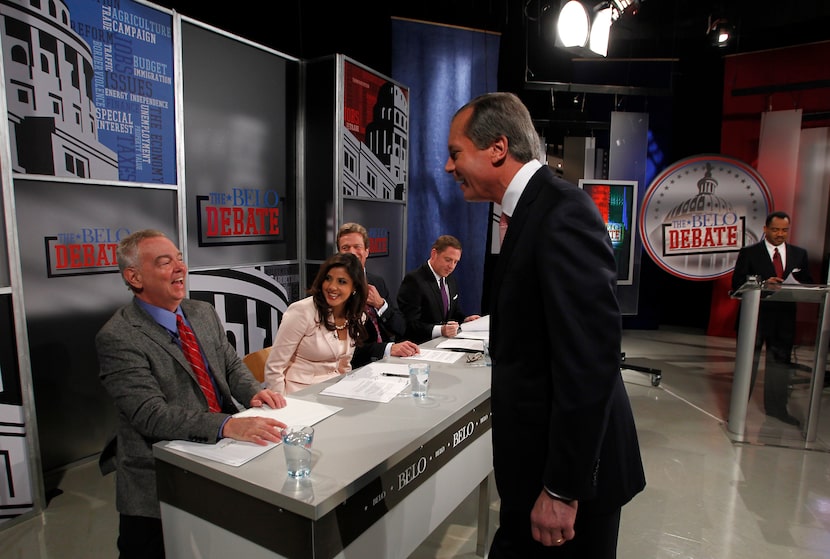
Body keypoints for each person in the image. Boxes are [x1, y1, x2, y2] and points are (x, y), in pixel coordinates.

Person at [444, 92, 645, 558]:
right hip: (539, 472)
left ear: (497, 148)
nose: (450, 168)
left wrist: (560, 489)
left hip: (569, 484)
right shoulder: (532, 210)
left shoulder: (560, 212)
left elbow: (589, 362)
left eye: (456, 154)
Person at [96, 230, 288, 559]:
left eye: (180, 259)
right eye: (165, 262)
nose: (180, 268)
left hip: (222, 457)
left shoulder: (201, 312)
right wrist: (226, 424)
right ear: (134, 277)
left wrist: (255, 393)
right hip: (158, 473)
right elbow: (150, 414)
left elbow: (230, 366)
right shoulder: (118, 337)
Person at [731, 211, 813, 426]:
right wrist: (763, 283)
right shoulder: (750, 253)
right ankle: (737, 410)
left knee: (780, 364)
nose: (780, 234)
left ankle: (777, 409)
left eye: (784, 230)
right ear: (765, 229)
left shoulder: (799, 254)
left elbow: (808, 283)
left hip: (784, 319)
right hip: (755, 317)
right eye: (776, 229)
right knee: (749, 363)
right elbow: (737, 283)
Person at [264, 252, 369, 394]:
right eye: (328, 279)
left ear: (354, 287)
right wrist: (280, 406)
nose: (332, 287)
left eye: (342, 281)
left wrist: (347, 391)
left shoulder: (356, 317)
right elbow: (274, 368)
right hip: (298, 393)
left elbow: (344, 364)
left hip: (334, 392)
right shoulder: (302, 312)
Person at [336, 222, 420, 366]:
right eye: (345, 248)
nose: (352, 252)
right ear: (339, 253)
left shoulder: (376, 281)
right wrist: (387, 349)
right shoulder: (334, 289)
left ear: (367, 251)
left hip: (389, 360)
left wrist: (381, 304)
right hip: (356, 366)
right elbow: (339, 348)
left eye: (357, 247)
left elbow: (401, 327)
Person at [397, 234, 481, 344]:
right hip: (419, 345)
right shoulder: (414, 280)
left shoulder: (450, 279)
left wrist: (465, 321)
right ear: (434, 254)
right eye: (448, 260)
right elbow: (410, 324)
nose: (451, 266)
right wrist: (440, 330)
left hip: (444, 344)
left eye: (455, 262)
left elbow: (453, 313)